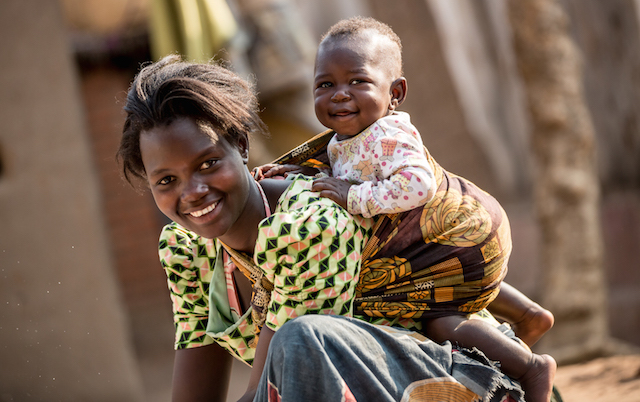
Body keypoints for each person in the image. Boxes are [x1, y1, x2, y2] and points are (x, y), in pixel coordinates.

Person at [117, 54, 532, 402]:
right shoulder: (186, 248)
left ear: (241, 145)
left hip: (461, 381)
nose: (193, 192)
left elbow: (267, 391)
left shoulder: (308, 225)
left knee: (300, 340)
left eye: (208, 164)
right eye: (166, 181)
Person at [254, 16, 556, 402]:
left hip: (460, 231)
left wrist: (353, 198)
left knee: (439, 318)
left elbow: (418, 185)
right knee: (436, 279)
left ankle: (531, 368)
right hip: (449, 238)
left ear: (395, 93)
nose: (340, 94)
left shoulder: (389, 133)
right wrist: (301, 171)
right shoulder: (347, 136)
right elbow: (350, 169)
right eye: (325, 84)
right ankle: (529, 315)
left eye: (357, 81)